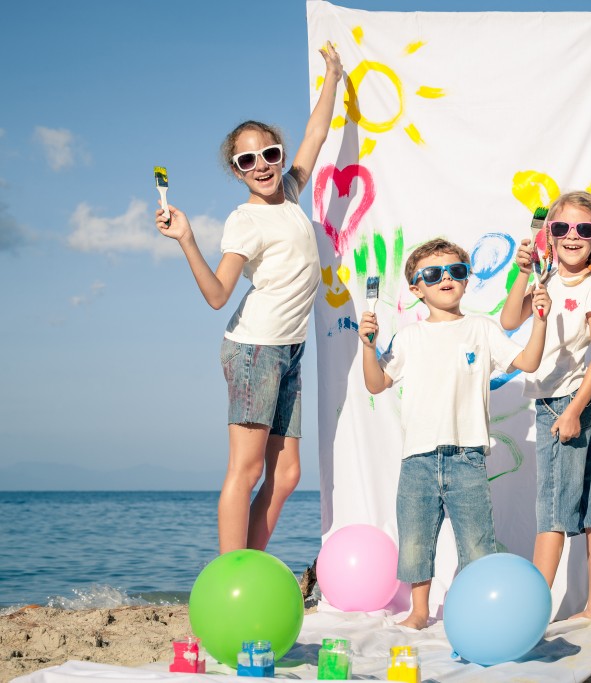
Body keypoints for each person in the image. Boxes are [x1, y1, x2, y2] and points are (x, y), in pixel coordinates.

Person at [155, 44, 343, 554]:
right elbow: (218, 295)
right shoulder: (246, 219)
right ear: (237, 172)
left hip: (289, 349)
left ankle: (252, 566)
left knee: (287, 475)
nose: (261, 165)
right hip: (254, 348)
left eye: (269, 154)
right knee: (248, 467)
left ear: (280, 155)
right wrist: (188, 239)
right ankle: (229, 573)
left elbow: (317, 133)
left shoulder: (293, 196)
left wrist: (334, 75)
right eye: (247, 160)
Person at [359, 238, 550, 629]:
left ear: (467, 279)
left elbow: (528, 361)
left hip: (467, 457)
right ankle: (419, 611)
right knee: (415, 541)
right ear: (416, 288)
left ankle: (475, 610)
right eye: (432, 274)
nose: (445, 278)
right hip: (418, 458)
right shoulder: (410, 337)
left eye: (456, 271)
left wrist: (541, 318)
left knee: (477, 545)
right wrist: (367, 346)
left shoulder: (481, 329)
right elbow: (376, 384)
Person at [499, 191, 591, 623]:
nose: (572, 236)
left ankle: (530, 614)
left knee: (551, 511)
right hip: (557, 402)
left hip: (565, 404)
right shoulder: (546, 279)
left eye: (583, 229)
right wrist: (523, 273)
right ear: (549, 232)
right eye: (562, 227)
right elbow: (510, 320)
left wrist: (571, 411)